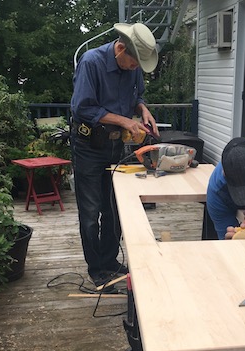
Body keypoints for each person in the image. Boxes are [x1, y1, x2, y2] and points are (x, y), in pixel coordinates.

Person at [70, 23, 160, 287]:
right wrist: (124, 121)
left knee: (113, 207)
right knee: (90, 212)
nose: (136, 69)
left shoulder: (132, 68)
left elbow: (137, 96)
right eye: (134, 63)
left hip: (114, 146)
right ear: (120, 49)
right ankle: (96, 268)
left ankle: (110, 261)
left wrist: (143, 109)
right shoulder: (91, 62)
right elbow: (82, 108)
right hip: (88, 145)